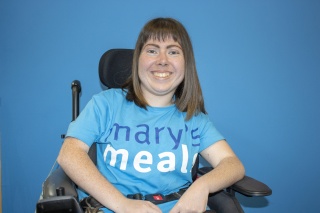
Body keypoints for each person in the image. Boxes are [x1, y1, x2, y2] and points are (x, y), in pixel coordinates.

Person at [57, 17, 245, 213]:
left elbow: (232, 164)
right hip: (114, 207)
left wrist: (202, 185)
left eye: (173, 52)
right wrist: (123, 204)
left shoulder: (194, 118)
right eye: (152, 51)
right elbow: (69, 155)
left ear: (186, 64)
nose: (162, 61)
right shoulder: (106, 104)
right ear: (138, 59)